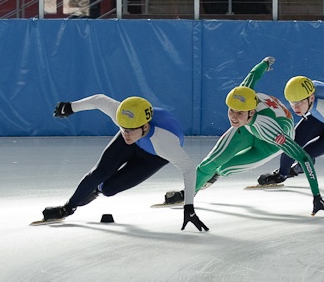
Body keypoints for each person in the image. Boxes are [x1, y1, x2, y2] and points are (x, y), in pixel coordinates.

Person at [162, 56, 324, 217]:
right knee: (210, 163)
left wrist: (317, 196)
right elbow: (253, 75)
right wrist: (265, 63)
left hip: (269, 144)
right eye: (231, 111)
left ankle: (214, 175)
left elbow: (304, 157)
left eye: (239, 113)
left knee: (224, 169)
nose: (233, 117)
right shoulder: (243, 93)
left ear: (251, 111)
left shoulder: (273, 131)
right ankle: (188, 193)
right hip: (248, 129)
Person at [42, 95, 208, 231]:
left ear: (145, 126)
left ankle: (98, 190)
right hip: (137, 144)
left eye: (131, 130)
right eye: (123, 128)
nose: (126, 134)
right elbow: (99, 100)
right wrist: (71, 107)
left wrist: (189, 207)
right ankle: (68, 208)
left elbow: (189, 169)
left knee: (108, 189)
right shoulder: (125, 119)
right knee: (98, 174)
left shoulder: (166, 143)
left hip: (154, 156)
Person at [257, 76, 324, 186]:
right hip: (319, 117)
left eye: (300, 102)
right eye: (292, 102)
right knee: (291, 145)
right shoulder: (308, 87)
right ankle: (281, 175)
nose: (296, 108)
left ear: (312, 98)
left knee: (306, 156)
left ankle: (296, 169)